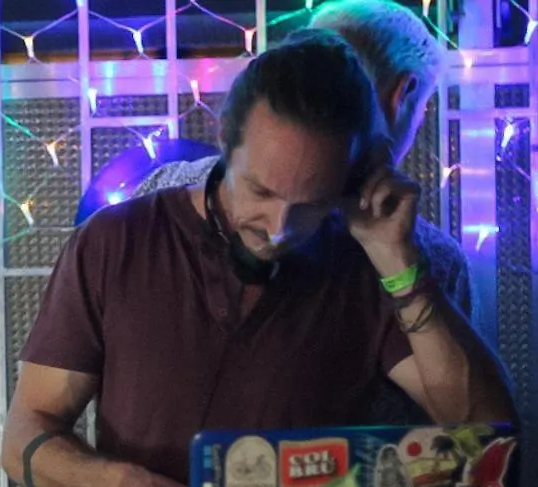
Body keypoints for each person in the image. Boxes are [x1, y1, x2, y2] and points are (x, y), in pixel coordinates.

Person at [0, 29, 514, 487]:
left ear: (355, 176)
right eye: (261, 191)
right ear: (224, 136)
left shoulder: (367, 268)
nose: (279, 228)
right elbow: (25, 437)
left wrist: (399, 263)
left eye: (311, 203)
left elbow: (487, 437)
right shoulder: (115, 242)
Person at [136, 0, 469, 424]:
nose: (279, 229)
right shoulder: (431, 258)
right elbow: (469, 439)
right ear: (402, 93)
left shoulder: (158, 192)